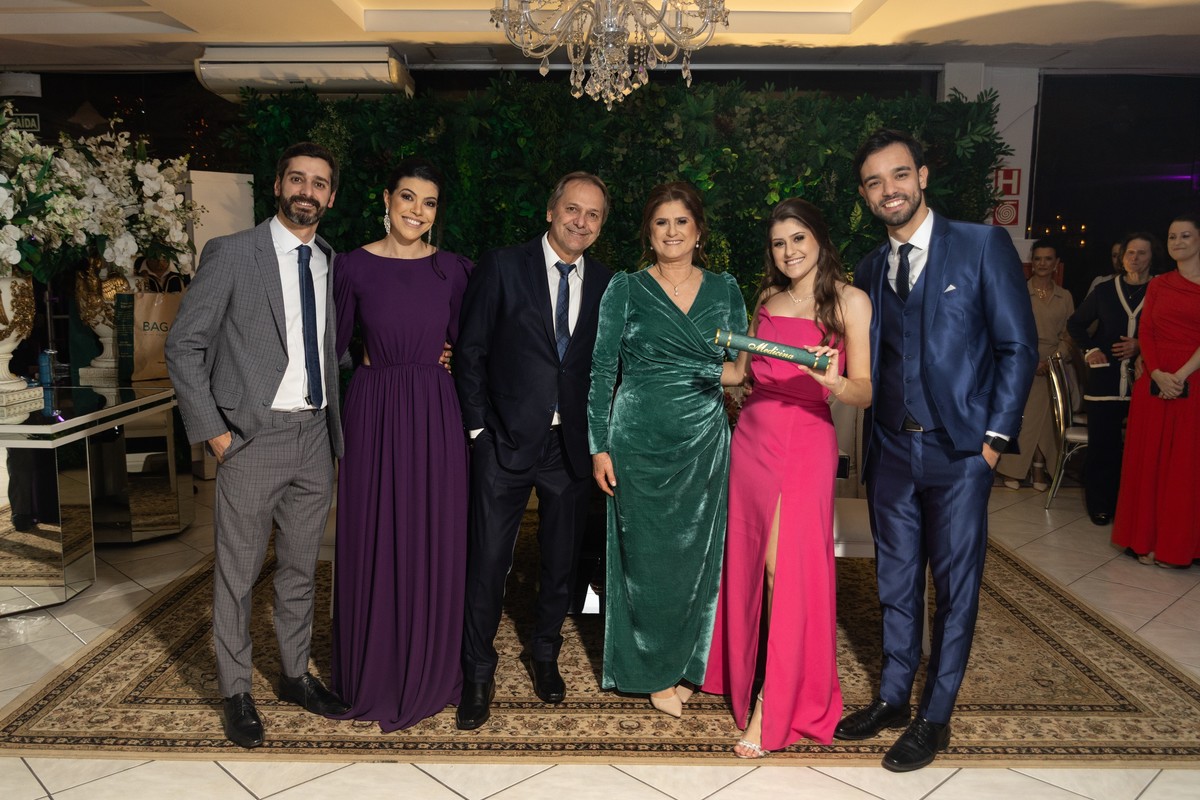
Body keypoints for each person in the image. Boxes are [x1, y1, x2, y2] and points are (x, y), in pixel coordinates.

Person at [832, 129, 1037, 772]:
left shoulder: (981, 245)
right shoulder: (870, 268)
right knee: (894, 583)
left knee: (955, 589)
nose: (888, 190)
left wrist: (994, 441)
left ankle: (935, 716)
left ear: (921, 177)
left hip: (961, 453)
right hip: (891, 452)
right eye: (874, 182)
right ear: (865, 194)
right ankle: (894, 697)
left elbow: (1017, 346)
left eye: (899, 175)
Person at [165, 142, 349, 749]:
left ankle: (294, 675)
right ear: (277, 185)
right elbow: (184, 344)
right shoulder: (233, 253)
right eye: (297, 179)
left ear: (330, 196)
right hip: (249, 438)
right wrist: (213, 432)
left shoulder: (330, 260)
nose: (306, 191)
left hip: (314, 438)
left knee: (300, 569)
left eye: (318, 183)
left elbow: (326, 347)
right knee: (237, 574)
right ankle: (236, 691)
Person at [702, 198, 872, 758]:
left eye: (798, 238)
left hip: (805, 439)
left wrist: (832, 380)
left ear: (819, 237)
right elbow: (740, 375)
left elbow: (864, 390)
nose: (789, 251)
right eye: (778, 243)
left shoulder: (850, 301)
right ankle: (743, 672)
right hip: (753, 435)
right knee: (749, 561)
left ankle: (775, 701)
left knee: (784, 568)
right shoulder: (767, 300)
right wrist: (673, 361)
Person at [453, 172, 613, 729]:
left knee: (560, 563)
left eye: (593, 215)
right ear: (550, 211)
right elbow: (470, 351)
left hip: (569, 448)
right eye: (572, 209)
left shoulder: (607, 283)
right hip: (503, 441)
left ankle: (544, 653)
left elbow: (606, 367)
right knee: (487, 562)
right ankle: (478, 672)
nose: (581, 222)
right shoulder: (502, 266)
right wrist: (478, 430)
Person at [588, 182, 748, 718]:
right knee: (644, 558)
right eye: (661, 222)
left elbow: (739, 371)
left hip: (702, 439)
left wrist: (693, 372)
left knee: (696, 558)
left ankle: (688, 664)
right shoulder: (626, 288)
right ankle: (650, 671)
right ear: (648, 233)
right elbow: (602, 370)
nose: (672, 231)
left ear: (699, 231)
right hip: (637, 440)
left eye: (682, 221)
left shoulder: (725, 289)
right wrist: (598, 446)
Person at [327, 158, 472, 731]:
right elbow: (332, 346)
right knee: (371, 529)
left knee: (432, 531)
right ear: (386, 199)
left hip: (435, 412)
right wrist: (365, 356)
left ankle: (429, 665)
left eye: (429, 202)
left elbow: (473, 344)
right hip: (374, 409)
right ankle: (375, 669)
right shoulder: (351, 266)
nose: (417, 211)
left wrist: (452, 357)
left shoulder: (453, 270)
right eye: (408, 197)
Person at [1113, 213, 1200, 568]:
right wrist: (1158, 373)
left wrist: (1179, 376)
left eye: (1185, 236)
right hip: (1154, 378)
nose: (1178, 242)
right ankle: (1143, 539)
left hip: (1192, 380)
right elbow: (1146, 331)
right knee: (1147, 462)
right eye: (1172, 237)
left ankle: (1176, 546)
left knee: (1184, 467)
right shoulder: (1160, 284)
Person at [1066, 232, 1158, 525]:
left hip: (1145, 384)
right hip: (1104, 383)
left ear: (1152, 257)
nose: (1135, 258)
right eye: (1130, 252)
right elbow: (1075, 324)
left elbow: (1169, 332)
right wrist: (1090, 350)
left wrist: (1141, 345)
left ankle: (1133, 508)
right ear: (1122, 257)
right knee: (1102, 448)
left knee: (1140, 451)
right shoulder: (1105, 291)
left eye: (1142, 253)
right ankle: (1101, 505)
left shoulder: (1159, 290)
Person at [998, 239, 1075, 491]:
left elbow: (1069, 334)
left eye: (1048, 259)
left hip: (1055, 365)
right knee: (1021, 417)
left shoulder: (1065, 296)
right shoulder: (1018, 291)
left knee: (1048, 421)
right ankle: (1013, 469)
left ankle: (1039, 468)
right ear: (1032, 262)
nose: (1042, 263)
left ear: (1056, 263)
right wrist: (1031, 361)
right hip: (1022, 363)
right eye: (1038, 258)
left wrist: (1054, 360)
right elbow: (1009, 329)